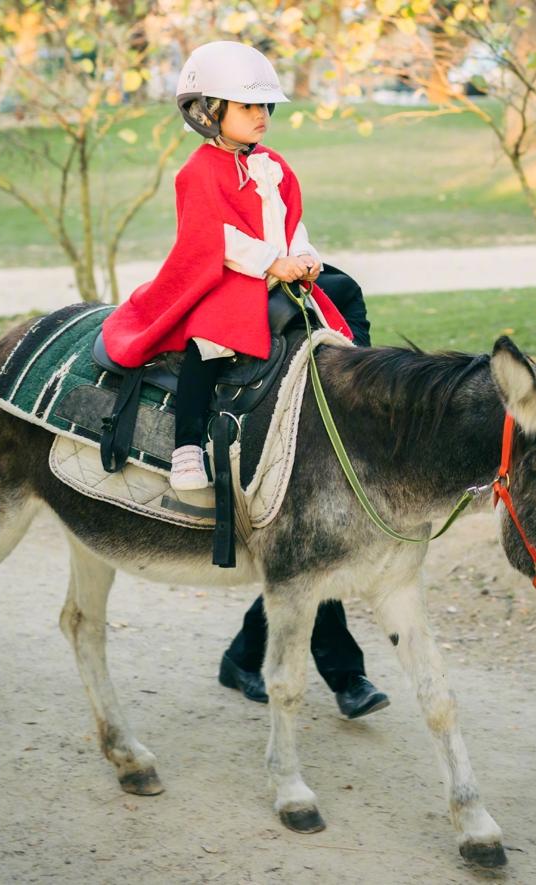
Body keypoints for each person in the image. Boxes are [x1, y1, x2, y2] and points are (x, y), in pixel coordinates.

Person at [102, 40, 387, 719]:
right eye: (250, 105)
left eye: (267, 105)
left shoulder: (275, 167)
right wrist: (271, 263)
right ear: (208, 110)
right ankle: (188, 442)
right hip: (230, 279)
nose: (262, 114)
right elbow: (215, 242)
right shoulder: (198, 173)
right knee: (212, 338)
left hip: (282, 271)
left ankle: (358, 403)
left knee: (344, 292)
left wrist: (306, 257)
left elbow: (296, 222)